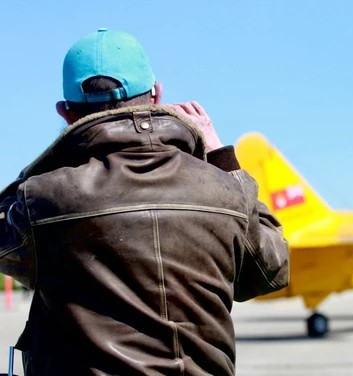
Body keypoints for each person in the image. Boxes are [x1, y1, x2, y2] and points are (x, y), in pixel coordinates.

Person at [0, 28, 289, 375]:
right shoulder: (224, 190)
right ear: (156, 96)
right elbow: (270, 271)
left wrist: (59, 153)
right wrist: (221, 157)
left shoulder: (43, 199)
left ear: (65, 113)